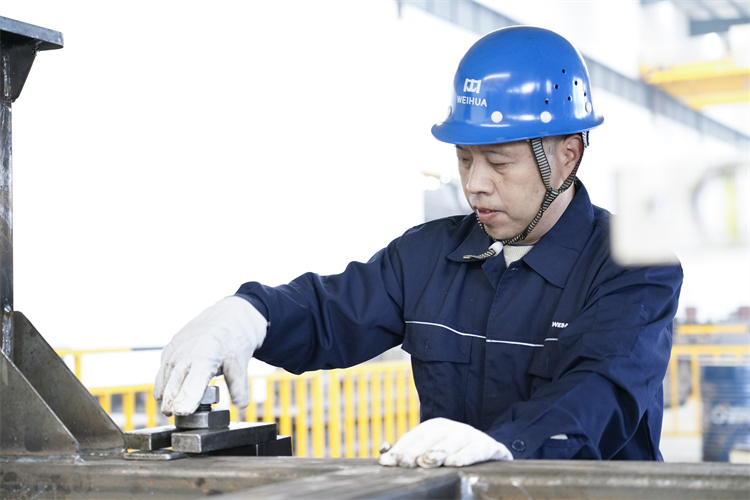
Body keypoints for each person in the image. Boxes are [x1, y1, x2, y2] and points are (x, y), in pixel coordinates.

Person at [154, 26, 683, 467]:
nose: (474, 184)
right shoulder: (429, 257)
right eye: (464, 159)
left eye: (498, 163)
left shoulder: (635, 264)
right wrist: (251, 315)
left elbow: (602, 387)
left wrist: (512, 445)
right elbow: (332, 311)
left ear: (567, 156)